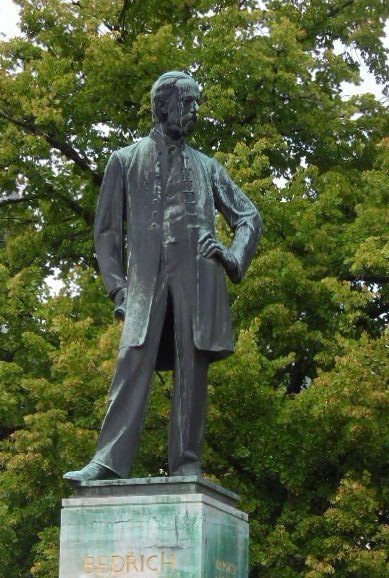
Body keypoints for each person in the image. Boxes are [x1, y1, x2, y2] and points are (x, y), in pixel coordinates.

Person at [64, 71, 262, 485]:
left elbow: (249, 217)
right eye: (188, 103)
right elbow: (106, 233)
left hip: (199, 279)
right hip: (144, 284)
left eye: (196, 104)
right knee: (131, 363)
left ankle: (187, 462)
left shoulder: (207, 167)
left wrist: (231, 255)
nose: (195, 112)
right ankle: (107, 460)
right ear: (163, 105)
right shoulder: (125, 160)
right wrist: (117, 287)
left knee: (193, 369)